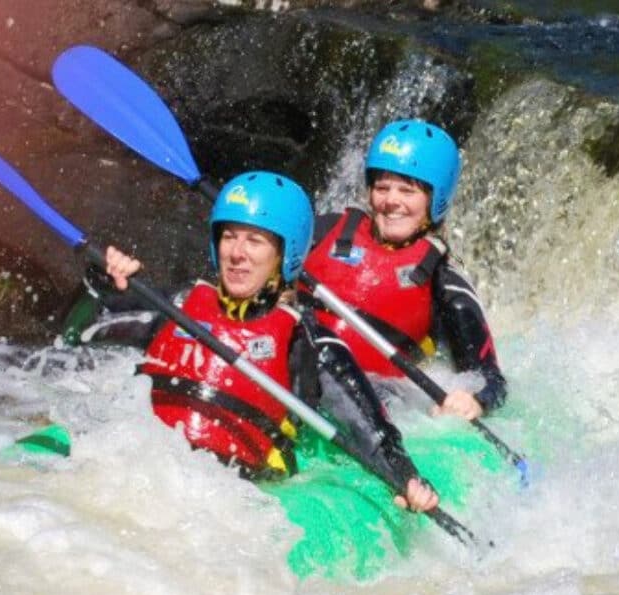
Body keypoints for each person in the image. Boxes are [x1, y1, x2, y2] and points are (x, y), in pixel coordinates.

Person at [84, 171, 437, 512]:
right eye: (229, 237)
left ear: (284, 254)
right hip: (131, 473)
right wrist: (109, 278)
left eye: (254, 241)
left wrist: (407, 479)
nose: (237, 253)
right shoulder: (180, 305)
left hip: (231, 501)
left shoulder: (308, 342)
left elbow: (371, 430)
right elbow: (90, 328)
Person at [302, 119, 506, 422]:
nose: (391, 201)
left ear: (435, 200)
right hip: (294, 377)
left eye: (407, 191)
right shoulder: (324, 231)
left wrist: (474, 402)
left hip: (366, 406)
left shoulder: (445, 285)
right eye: (382, 188)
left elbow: (492, 381)